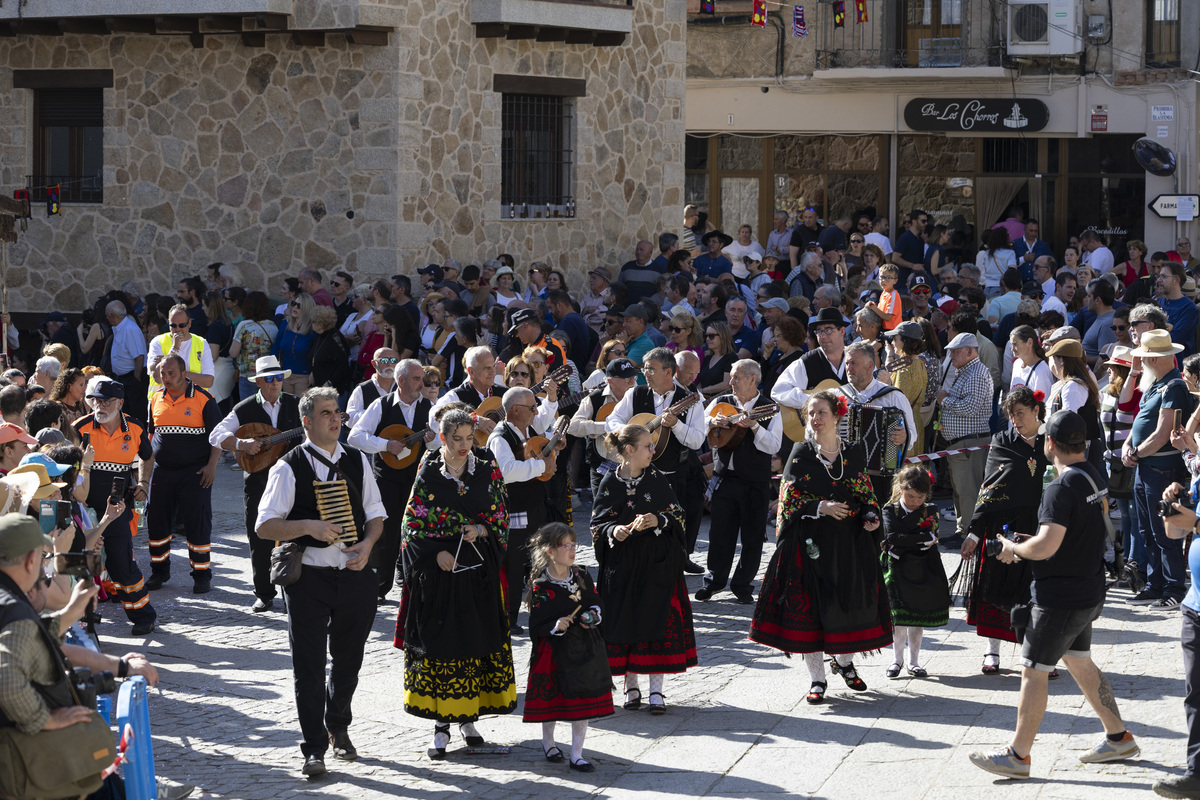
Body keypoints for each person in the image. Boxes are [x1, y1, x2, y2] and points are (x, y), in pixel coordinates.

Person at [969, 409, 1139, 779]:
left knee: (1032, 669)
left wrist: (1015, 550)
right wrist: (1030, 544)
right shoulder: (1092, 475)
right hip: (1086, 589)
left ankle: (1018, 756)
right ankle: (1119, 737)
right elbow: (1072, 535)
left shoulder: (1060, 487)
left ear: (1049, 443)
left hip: (1059, 596)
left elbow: (1046, 547)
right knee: (1079, 661)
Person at [256, 387, 385, 777]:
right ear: (307, 422)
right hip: (308, 576)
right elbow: (265, 525)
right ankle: (314, 748)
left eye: (338, 413)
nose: (335, 419)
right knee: (308, 666)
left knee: (349, 659)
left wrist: (367, 543)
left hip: (354, 575)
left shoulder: (358, 461)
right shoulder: (287, 466)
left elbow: (376, 514)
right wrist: (308, 526)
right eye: (327, 413)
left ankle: (338, 726)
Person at [749, 390, 889, 703]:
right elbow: (788, 500)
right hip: (809, 546)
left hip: (848, 545)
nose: (815, 418)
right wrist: (820, 507)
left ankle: (844, 663)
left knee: (847, 608)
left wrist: (870, 516)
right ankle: (817, 680)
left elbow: (865, 494)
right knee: (811, 613)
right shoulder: (800, 452)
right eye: (811, 413)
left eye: (821, 412)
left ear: (837, 415)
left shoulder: (853, 452)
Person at [393, 407, 515, 759]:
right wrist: (435, 555)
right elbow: (410, 525)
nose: (465, 446)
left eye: (469, 438)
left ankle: (468, 720)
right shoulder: (428, 470)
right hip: (438, 580)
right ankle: (440, 726)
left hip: (477, 575)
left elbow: (500, 516)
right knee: (441, 649)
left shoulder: (487, 466)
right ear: (443, 438)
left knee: (473, 646)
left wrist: (481, 530)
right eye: (457, 439)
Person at [592, 423, 697, 715]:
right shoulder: (609, 483)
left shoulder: (658, 480)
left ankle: (657, 691)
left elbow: (677, 515)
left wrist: (658, 520)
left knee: (657, 624)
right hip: (623, 565)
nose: (653, 450)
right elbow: (598, 523)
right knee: (626, 623)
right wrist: (615, 531)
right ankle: (631, 686)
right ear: (629, 450)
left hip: (656, 564)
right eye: (647, 446)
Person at [957, 386, 1051, 673]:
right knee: (995, 583)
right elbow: (989, 486)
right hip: (1003, 525)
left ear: (1036, 411)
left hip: (1040, 525)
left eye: (1020, 413)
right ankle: (991, 652)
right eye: (1011, 415)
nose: (1015, 420)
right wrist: (974, 532)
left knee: (1033, 589)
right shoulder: (1002, 441)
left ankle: (1036, 654)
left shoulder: (1051, 440)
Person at [210, 356, 301, 613]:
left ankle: (294, 591)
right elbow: (216, 435)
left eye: (279, 378)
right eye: (269, 379)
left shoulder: (297, 404)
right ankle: (264, 592)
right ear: (259, 381)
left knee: (294, 533)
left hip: (292, 479)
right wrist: (242, 445)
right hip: (258, 480)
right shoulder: (245, 408)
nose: (275, 384)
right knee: (258, 533)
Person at [522, 521, 612, 773]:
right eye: (566, 546)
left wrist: (593, 615)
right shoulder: (540, 584)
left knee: (581, 703)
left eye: (575, 544)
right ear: (550, 551)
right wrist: (555, 624)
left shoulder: (582, 574)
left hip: (583, 649)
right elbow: (536, 625)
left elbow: (596, 602)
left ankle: (577, 754)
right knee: (551, 703)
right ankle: (548, 743)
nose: (573, 550)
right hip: (553, 652)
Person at [71, 379, 156, 635]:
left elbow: (147, 456)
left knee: (120, 561)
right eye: (96, 399)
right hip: (84, 506)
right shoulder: (80, 428)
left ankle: (143, 615)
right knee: (81, 562)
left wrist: (142, 482)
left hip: (117, 505)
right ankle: (82, 620)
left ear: (120, 403)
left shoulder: (136, 427)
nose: (100, 405)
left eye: (107, 401)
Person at [347, 359, 436, 603]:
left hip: (417, 480)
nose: (422, 384)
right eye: (417, 379)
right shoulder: (381, 405)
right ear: (402, 380)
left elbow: (438, 444)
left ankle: (411, 581)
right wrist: (385, 445)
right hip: (386, 479)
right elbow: (355, 437)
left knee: (416, 531)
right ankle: (379, 586)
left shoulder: (429, 407)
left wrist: (431, 440)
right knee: (385, 532)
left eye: (423, 379)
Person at [697, 359, 782, 604]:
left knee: (753, 536)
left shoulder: (769, 408)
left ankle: (743, 585)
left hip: (755, 481)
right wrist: (712, 423)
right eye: (732, 377)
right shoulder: (721, 402)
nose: (731, 382)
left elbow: (774, 445)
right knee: (720, 533)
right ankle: (714, 582)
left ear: (752, 379)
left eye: (736, 377)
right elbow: (700, 426)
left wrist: (754, 426)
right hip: (725, 479)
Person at [1125, 329, 1193, 609]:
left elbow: (1162, 433)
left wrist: (1135, 453)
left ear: (1153, 359)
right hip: (1147, 466)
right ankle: (1155, 585)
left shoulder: (1173, 386)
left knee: (1165, 531)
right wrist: (1130, 446)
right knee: (1147, 531)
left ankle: (1173, 588)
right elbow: (1141, 422)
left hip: (1162, 469)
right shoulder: (1157, 384)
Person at [144, 354, 222, 593]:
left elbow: (217, 438)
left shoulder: (204, 399)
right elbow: (150, 437)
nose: (165, 378)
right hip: (162, 472)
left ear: (184, 373)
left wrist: (212, 466)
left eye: (171, 373)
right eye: (162, 374)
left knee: (196, 524)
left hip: (195, 473)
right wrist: (144, 476)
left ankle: (201, 575)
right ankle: (159, 572)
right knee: (156, 524)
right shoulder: (155, 398)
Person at [488, 387, 559, 633]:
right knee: (515, 563)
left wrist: (551, 450)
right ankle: (508, 619)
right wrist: (541, 465)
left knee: (540, 559)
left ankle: (544, 611)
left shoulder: (528, 430)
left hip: (535, 504)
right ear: (515, 410)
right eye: (532, 407)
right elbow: (506, 471)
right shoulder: (499, 437)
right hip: (513, 509)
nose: (536, 411)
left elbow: (538, 452)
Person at [881, 464, 949, 678]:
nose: (915, 502)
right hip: (898, 567)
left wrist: (907, 539)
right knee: (899, 618)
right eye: (911, 496)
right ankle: (896, 660)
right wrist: (919, 537)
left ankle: (914, 662)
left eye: (920, 498)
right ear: (901, 489)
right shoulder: (889, 510)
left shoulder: (932, 510)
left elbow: (931, 536)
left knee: (917, 618)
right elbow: (892, 537)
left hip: (924, 567)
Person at [1157, 478, 1200, 798]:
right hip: (1195, 606)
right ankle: (1196, 773)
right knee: (1196, 696)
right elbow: (1175, 533)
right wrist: (1171, 511)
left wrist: (1197, 522)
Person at [936, 333, 994, 549]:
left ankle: (970, 533)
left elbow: (970, 408)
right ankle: (964, 531)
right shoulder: (967, 371)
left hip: (969, 443)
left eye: (956, 351)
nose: (951, 355)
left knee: (968, 490)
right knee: (961, 491)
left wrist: (945, 399)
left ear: (971, 351)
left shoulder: (977, 373)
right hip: (962, 443)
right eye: (950, 351)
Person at [838, 341, 916, 500]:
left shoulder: (893, 396)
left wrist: (905, 437)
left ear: (870, 366)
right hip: (843, 471)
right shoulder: (837, 396)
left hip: (880, 476)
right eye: (846, 363)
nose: (849, 368)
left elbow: (913, 435)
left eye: (854, 363)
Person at [569, 357, 638, 499]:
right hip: (602, 466)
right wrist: (606, 427)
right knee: (602, 511)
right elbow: (573, 426)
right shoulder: (595, 399)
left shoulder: (641, 396)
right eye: (626, 378)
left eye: (633, 376)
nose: (632, 381)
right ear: (610, 381)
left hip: (634, 465)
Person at [146, 304, 216, 400]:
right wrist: (175, 348)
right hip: (162, 403)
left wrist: (176, 373)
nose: (177, 329)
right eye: (173, 325)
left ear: (189, 323)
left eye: (182, 325)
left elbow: (208, 381)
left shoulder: (201, 343)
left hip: (193, 403)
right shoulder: (158, 342)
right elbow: (157, 378)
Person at [273, 293, 316, 397]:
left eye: (299, 306)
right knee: (288, 407)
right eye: (294, 304)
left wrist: (314, 373)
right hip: (285, 374)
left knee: (300, 409)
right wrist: (272, 369)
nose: (295, 307)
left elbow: (317, 354)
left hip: (303, 376)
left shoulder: (313, 329)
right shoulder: (285, 323)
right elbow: (276, 346)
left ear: (307, 309)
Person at [346, 347, 398, 428]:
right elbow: (349, 419)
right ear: (374, 364)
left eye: (393, 360)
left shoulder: (403, 387)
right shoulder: (362, 389)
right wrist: (374, 413)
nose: (389, 364)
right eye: (384, 360)